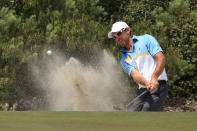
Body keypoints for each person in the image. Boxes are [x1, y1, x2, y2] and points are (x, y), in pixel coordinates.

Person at [108, 21, 168, 111]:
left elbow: (161, 58)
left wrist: (154, 77)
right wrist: (146, 83)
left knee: (145, 112)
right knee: (131, 114)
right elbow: (135, 75)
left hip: (159, 86)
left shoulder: (146, 39)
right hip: (144, 89)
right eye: (114, 36)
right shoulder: (124, 59)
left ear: (127, 30)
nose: (117, 38)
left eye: (119, 33)